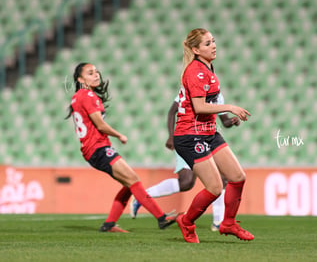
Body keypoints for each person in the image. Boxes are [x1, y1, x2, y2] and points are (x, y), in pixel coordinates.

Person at [65, 62, 178, 233]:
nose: (96, 75)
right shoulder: (87, 96)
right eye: (90, 73)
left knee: (129, 184)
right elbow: (100, 125)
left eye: (96, 72)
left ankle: (109, 224)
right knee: (133, 180)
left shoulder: (78, 96)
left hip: (92, 150)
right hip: (98, 148)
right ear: (81, 79)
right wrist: (119, 135)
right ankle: (161, 218)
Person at [173, 28, 254, 243]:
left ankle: (228, 223)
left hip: (208, 132)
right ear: (195, 49)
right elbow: (199, 107)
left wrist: (226, 119)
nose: (213, 46)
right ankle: (187, 222)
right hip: (190, 135)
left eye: (213, 41)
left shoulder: (207, 68)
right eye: (207, 43)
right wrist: (230, 108)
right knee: (215, 188)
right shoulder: (196, 72)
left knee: (238, 177)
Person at [130, 92, 240, 232]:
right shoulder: (192, 90)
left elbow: (225, 122)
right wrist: (171, 136)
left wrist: (232, 121)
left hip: (207, 138)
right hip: (188, 138)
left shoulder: (217, 95)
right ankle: (143, 196)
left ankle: (218, 222)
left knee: (222, 178)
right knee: (186, 182)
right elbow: (172, 111)